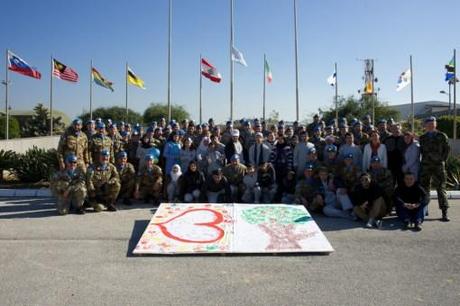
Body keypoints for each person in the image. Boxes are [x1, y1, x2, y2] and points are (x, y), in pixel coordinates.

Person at [419, 116, 451, 222]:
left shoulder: (442, 136)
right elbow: (421, 152)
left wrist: (442, 161)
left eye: (433, 123)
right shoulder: (422, 138)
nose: (431, 125)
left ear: (436, 124)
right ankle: (424, 209)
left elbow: (447, 150)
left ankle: (444, 212)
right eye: (429, 124)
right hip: (426, 166)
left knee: (441, 189)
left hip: (438, 166)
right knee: (424, 189)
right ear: (426, 125)